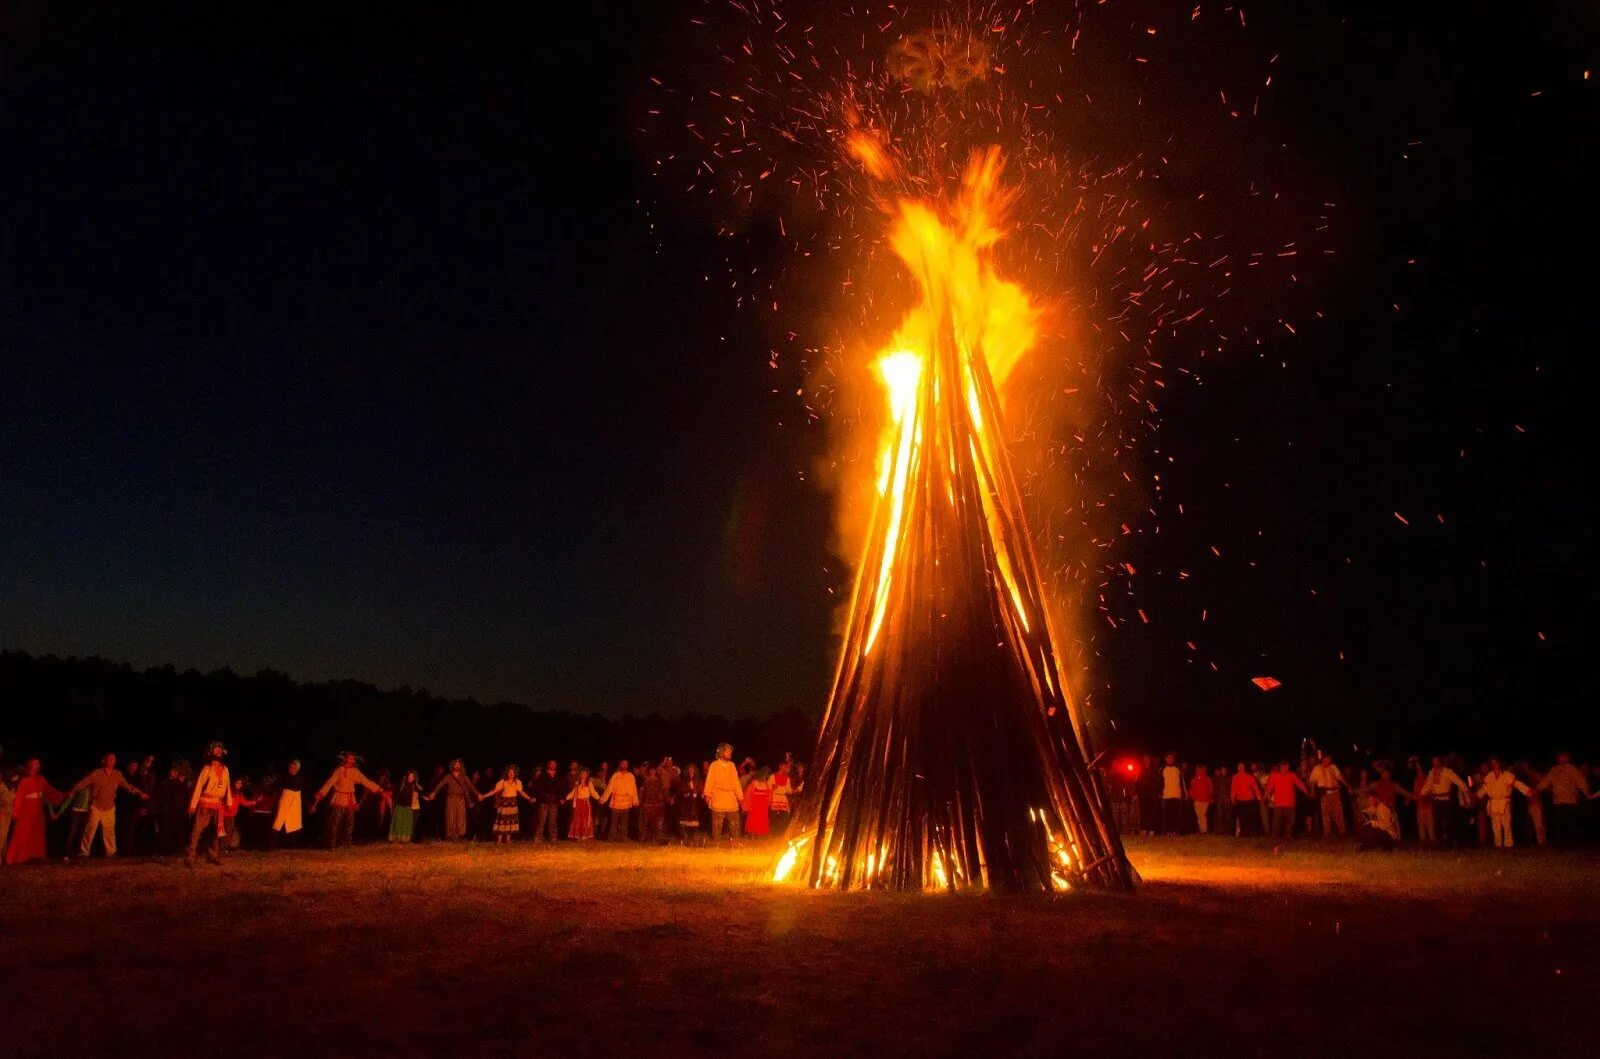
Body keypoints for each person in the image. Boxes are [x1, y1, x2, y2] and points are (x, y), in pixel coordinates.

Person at [63, 753, 148, 859]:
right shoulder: (96, 773)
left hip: (110, 808)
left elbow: (127, 786)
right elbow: (83, 782)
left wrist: (139, 793)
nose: (113, 760)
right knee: (90, 831)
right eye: (110, 758)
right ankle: (83, 853)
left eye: (114, 759)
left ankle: (111, 853)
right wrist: (72, 790)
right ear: (104, 761)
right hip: (96, 807)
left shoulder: (117, 774)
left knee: (109, 832)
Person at [311, 752, 381, 849]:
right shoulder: (339, 770)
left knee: (349, 823)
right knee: (335, 823)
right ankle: (331, 844)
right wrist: (320, 795)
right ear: (345, 759)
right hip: (339, 799)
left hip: (350, 800)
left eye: (352, 759)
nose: (351, 760)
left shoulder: (355, 771)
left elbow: (365, 780)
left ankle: (345, 844)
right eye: (349, 758)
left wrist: (377, 788)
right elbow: (329, 783)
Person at [4, 758, 62, 865]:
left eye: (38, 763)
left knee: (37, 832)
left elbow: (49, 790)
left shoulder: (41, 779)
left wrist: (61, 795)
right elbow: (19, 796)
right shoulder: (24, 779)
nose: (37, 765)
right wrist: (16, 811)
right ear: (29, 764)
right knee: (22, 832)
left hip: (38, 809)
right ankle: (15, 858)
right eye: (35, 763)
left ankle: (37, 855)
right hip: (26, 809)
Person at [186, 742, 233, 867]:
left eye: (220, 750)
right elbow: (198, 786)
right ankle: (190, 858)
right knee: (197, 831)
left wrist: (229, 802)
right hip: (205, 804)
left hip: (218, 804)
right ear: (211, 752)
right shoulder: (207, 769)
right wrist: (193, 804)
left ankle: (213, 856)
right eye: (216, 750)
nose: (218, 751)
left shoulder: (226, 769)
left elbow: (228, 787)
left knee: (215, 833)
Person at [1477, 758, 1531, 849]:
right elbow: (1484, 789)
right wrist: (1477, 796)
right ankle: (1498, 844)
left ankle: (1508, 844)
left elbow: (1517, 784)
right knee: (1495, 825)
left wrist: (1527, 791)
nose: (1495, 765)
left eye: (1496, 763)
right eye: (1493, 763)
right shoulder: (1489, 776)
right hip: (1493, 803)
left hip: (1504, 802)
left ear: (1500, 764)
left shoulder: (1507, 775)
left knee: (1506, 824)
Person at [1539, 753, 1591, 846]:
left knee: (1570, 823)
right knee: (1560, 824)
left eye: (1563, 757)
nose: (1561, 759)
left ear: (1568, 758)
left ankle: (1570, 843)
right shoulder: (1554, 770)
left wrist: (1587, 794)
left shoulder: (1572, 769)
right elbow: (1545, 782)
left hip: (1570, 801)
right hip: (1559, 801)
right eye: (1560, 757)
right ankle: (1562, 844)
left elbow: (1581, 782)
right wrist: (1538, 788)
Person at [1419, 756, 1468, 847]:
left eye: (1437, 761)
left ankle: (1450, 842)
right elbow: (1428, 784)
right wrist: (1422, 794)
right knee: (1437, 822)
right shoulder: (1431, 772)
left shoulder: (1447, 772)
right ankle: (1440, 842)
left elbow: (1458, 781)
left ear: (1441, 762)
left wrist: (1465, 790)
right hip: (1436, 801)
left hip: (1446, 801)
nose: (1435, 763)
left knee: (1448, 822)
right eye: (1433, 762)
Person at [426, 759, 481, 840]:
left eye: (459, 764)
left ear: (461, 766)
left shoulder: (464, 777)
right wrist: (434, 792)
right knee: (450, 816)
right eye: (455, 764)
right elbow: (440, 784)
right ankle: (451, 836)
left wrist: (477, 794)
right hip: (451, 799)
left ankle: (459, 836)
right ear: (452, 766)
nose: (457, 766)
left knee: (460, 817)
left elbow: (470, 786)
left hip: (460, 799)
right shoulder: (448, 776)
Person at [705, 743, 745, 842]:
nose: (730, 753)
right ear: (722, 752)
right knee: (717, 824)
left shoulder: (732, 766)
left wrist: (740, 797)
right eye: (728, 751)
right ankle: (716, 843)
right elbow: (710, 780)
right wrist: (707, 794)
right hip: (718, 797)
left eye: (730, 751)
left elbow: (736, 782)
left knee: (734, 823)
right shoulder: (714, 765)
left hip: (731, 798)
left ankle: (735, 842)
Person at [483, 766, 532, 844]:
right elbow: (494, 791)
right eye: (510, 772)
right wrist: (483, 796)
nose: (511, 774)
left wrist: (529, 798)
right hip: (504, 805)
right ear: (507, 773)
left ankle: (508, 840)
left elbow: (521, 792)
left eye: (513, 772)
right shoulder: (502, 782)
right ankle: (499, 840)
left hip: (513, 805)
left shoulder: (517, 782)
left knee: (510, 821)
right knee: (502, 821)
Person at [1264, 761, 1309, 839]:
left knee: (1290, 822)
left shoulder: (1292, 775)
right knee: (1277, 822)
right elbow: (1269, 788)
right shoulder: (1275, 776)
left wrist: (1306, 792)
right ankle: (1275, 836)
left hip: (1290, 803)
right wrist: (1266, 796)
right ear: (1282, 767)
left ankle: (1288, 836)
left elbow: (1300, 784)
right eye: (1285, 766)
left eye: (1288, 766)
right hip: (1278, 804)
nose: (1287, 768)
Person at [1308, 754, 1349, 837]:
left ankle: (1342, 831)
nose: (1327, 761)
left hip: (1335, 792)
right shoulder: (1317, 768)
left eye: (1329, 760)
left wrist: (1349, 786)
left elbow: (1340, 778)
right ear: (1322, 759)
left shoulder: (1333, 767)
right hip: (1324, 793)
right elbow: (1312, 781)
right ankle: (1328, 833)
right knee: (1326, 814)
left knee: (1338, 813)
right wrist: (1312, 792)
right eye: (1325, 759)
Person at [157, 763, 191, 855]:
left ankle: (177, 849)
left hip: (178, 812)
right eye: (172, 771)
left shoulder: (180, 784)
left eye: (175, 771)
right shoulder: (164, 783)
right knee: (166, 831)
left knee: (177, 831)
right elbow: (161, 797)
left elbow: (185, 797)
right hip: (167, 811)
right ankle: (165, 850)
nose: (173, 773)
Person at [271, 759, 306, 847]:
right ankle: (272, 843)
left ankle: (293, 844)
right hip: (285, 798)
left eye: (293, 767)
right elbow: (278, 788)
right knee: (279, 819)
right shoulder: (283, 777)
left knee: (294, 822)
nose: (291, 769)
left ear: (297, 768)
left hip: (295, 801)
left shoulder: (300, 778)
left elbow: (303, 790)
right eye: (290, 767)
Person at [602, 760, 639, 842]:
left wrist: (635, 800)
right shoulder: (615, 775)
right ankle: (612, 837)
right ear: (620, 765)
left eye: (626, 764)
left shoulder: (631, 776)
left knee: (624, 822)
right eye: (623, 763)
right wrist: (603, 799)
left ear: (628, 765)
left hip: (626, 802)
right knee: (614, 822)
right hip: (616, 802)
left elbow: (634, 789)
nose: (624, 765)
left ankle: (623, 837)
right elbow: (609, 788)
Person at [529, 761, 564, 843]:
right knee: (541, 820)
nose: (553, 765)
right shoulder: (543, 775)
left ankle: (553, 838)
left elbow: (562, 787)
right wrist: (533, 796)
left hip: (554, 801)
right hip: (544, 801)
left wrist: (563, 798)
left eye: (554, 764)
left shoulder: (558, 776)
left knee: (553, 820)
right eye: (551, 764)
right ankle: (538, 838)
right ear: (548, 765)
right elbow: (536, 786)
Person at [564, 769, 602, 840]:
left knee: (585, 818)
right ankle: (577, 835)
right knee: (577, 819)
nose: (583, 775)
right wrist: (566, 798)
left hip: (585, 803)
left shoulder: (589, 783)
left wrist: (599, 798)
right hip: (578, 803)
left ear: (587, 775)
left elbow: (593, 792)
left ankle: (585, 836)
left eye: (585, 774)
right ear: (580, 775)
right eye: (582, 774)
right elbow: (573, 792)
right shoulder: (577, 783)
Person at [675, 762, 704, 846]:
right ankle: (685, 838)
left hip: (695, 804)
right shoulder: (683, 780)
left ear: (695, 770)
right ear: (687, 770)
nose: (691, 770)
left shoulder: (698, 780)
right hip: (686, 804)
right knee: (684, 820)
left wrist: (696, 792)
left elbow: (700, 790)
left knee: (695, 821)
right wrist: (687, 792)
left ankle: (694, 838)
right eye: (689, 769)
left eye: (692, 769)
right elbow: (681, 791)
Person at [390, 770, 422, 843]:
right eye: (409, 776)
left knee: (409, 824)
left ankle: (408, 839)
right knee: (401, 823)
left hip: (411, 807)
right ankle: (399, 839)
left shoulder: (415, 786)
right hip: (403, 806)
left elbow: (421, 792)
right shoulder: (403, 785)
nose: (410, 778)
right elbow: (396, 795)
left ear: (415, 778)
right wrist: (393, 806)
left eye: (412, 777)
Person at [1229, 762, 1261, 836]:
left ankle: (1249, 832)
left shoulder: (1249, 777)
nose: (1240, 767)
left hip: (1249, 800)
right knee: (1241, 818)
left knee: (1249, 817)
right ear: (1237, 768)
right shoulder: (1235, 777)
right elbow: (1233, 789)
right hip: (1240, 801)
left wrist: (1259, 797)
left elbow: (1255, 788)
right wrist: (1232, 798)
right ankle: (1243, 832)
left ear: (1244, 768)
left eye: (1242, 766)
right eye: (1239, 766)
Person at [639, 763, 666, 843]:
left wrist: (661, 800)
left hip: (656, 804)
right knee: (645, 822)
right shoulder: (645, 781)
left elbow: (661, 792)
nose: (652, 771)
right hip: (647, 804)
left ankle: (653, 838)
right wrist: (640, 800)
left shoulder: (658, 781)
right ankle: (645, 838)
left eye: (653, 770)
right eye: (651, 770)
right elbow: (641, 791)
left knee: (654, 822)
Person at [1159, 753, 1185, 835]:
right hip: (1166, 796)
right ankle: (1167, 831)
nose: (1170, 759)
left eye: (1171, 758)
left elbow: (1182, 782)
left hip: (1176, 795)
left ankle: (1175, 831)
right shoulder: (1162, 769)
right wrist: (1160, 792)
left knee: (1176, 815)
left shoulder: (1178, 769)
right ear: (1165, 759)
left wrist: (1184, 794)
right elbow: (1159, 783)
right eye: (1168, 758)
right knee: (1166, 815)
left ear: (1173, 760)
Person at [744, 767, 773, 837]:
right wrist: (748, 805)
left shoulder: (766, 784)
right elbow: (748, 793)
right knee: (754, 818)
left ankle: (760, 834)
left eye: (767, 775)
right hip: (755, 803)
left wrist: (769, 802)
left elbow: (769, 794)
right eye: (765, 775)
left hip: (763, 805)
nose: (766, 776)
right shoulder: (754, 782)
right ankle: (752, 833)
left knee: (762, 819)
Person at [770, 761, 793, 836]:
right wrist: (783, 789)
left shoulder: (787, 778)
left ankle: (781, 835)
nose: (786, 768)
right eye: (785, 766)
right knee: (774, 819)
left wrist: (778, 788)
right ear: (780, 766)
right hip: (775, 800)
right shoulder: (773, 776)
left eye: (786, 767)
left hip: (783, 801)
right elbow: (770, 787)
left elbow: (789, 790)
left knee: (783, 819)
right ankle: (773, 835)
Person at [1189, 766, 1214, 835]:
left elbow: (1211, 789)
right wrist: (1193, 797)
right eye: (1199, 770)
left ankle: (1204, 830)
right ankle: (1201, 830)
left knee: (1202, 815)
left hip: (1205, 800)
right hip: (1197, 801)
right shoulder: (1194, 779)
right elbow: (1191, 790)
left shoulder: (1208, 779)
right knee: (1199, 816)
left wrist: (1211, 798)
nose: (1200, 771)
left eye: (1201, 770)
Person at [0, 769, 15, 863]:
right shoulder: (1, 787)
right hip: (1, 813)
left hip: (8, 814)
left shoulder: (12, 788)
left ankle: (3, 856)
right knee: (1, 835)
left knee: (4, 836)